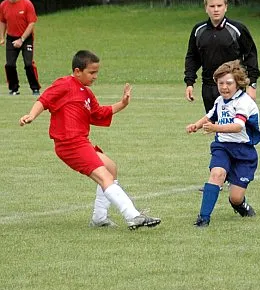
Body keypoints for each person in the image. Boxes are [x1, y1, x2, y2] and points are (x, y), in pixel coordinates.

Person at [19, 50, 161, 231]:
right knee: (104, 176)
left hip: (81, 142)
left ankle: (99, 218)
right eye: (91, 72)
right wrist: (31, 115)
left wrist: (122, 104)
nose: (95, 76)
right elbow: (44, 100)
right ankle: (133, 216)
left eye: (97, 72)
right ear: (77, 71)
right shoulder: (64, 84)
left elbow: (98, 113)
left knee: (111, 168)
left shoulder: (86, 93)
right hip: (69, 143)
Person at [186, 60, 260, 227]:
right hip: (223, 147)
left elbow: (238, 126)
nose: (224, 87)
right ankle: (203, 219)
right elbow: (210, 116)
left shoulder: (245, 102)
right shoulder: (220, 101)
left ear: (238, 83)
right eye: (220, 83)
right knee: (217, 174)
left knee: (235, 197)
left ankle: (241, 205)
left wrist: (215, 128)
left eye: (229, 83)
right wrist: (196, 126)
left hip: (244, 152)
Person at [184, 0, 260, 113]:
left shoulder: (238, 29)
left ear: (226, 7)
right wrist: (189, 83)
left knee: (234, 126)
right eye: (212, 6)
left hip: (233, 85)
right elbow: (192, 57)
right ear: (206, 8)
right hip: (208, 87)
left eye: (219, 6)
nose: (216, 10)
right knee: (214, 127)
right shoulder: (198, 30)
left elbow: (250, 55)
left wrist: (252, 84)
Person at [0, 0, 40, 96]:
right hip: (11, 38)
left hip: (26, 38)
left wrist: (21, 39)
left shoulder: (27, 4)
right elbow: (2, 21)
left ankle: (35, 88)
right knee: (10, 65)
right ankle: (13, 89)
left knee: (28, 64)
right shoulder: (3, 5)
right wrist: (2, 36)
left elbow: (31, 23)